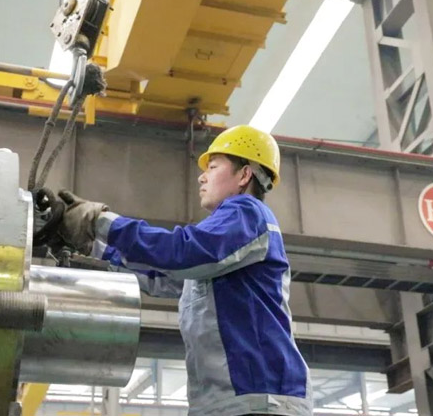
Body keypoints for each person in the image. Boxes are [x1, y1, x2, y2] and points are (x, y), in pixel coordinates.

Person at [57, 124, 312, 416]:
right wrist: (89, 247)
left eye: (213, 167)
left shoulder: (247, 212)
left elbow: (180, 251)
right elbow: (159, 275)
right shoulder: (223, 248)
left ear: (244, 175)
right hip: (229, 402)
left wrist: (98, 221)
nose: (202, 176)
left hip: (262, 399)